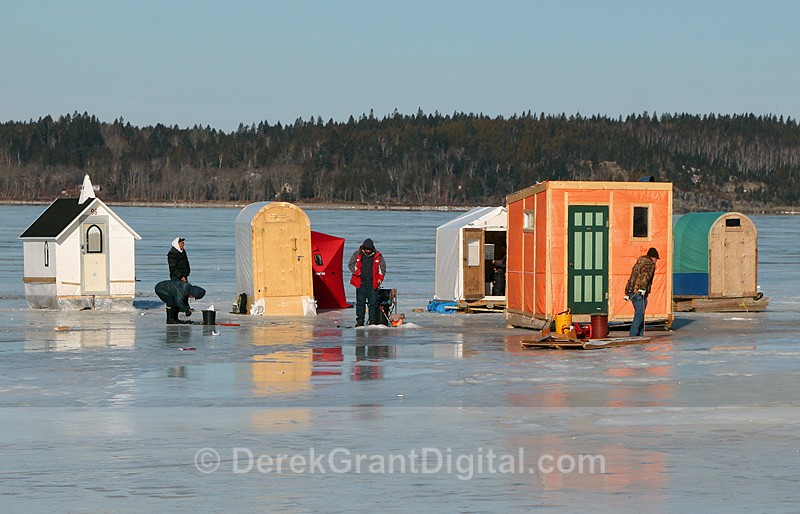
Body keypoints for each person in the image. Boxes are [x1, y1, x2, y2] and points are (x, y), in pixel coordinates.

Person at [348, 238, 387, 327]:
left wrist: (380, 278)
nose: (368, 251)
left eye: (370, 249)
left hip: (373, 284)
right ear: (364, 248)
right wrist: (357, 272)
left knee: (372, 303)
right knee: (360, 304)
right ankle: (360, 321)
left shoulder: (378, 255)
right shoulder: (357, 254)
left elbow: (382, 268)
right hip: (361, 283)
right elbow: (351, 264)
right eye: (366, 249)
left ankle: (372, 321)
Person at [624, 247, 660, 336]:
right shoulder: (650, 264)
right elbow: (645, 277)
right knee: (639, 314)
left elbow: (633, 277)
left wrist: (628, 291)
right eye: (656, 259)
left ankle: (640, 334)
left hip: (632, 290)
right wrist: (642, 288)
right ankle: (633, 335)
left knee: (640, 313)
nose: (656, 261)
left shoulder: (639, 262)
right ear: (653, 258)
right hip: (638, 292)